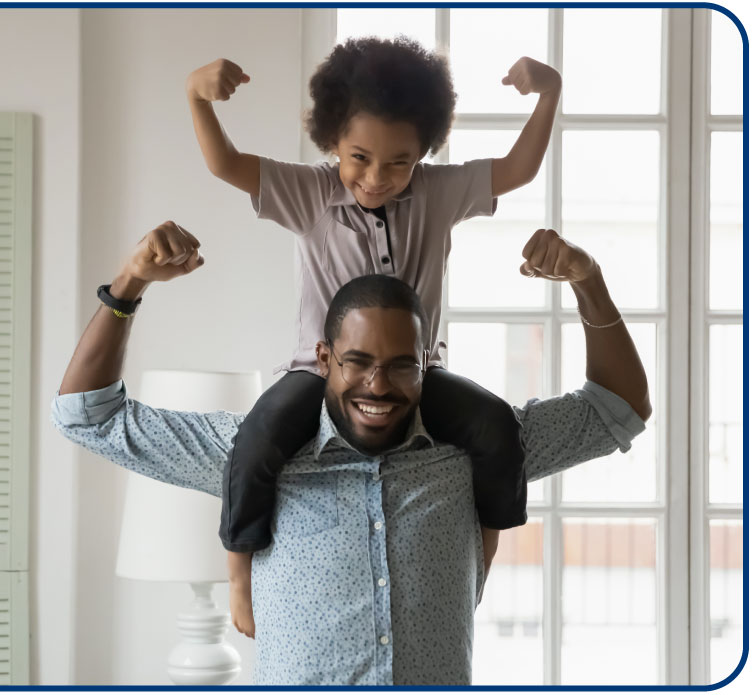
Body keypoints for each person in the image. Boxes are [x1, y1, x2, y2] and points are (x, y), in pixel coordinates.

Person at [52, 221, 651, 685]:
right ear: (323, 360)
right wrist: (129, 284)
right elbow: (88, 416)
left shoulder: (476, 450)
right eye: (358, 362)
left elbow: (618, 408)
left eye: (400, 367)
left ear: (427, 366)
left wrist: (588, 279)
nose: (378, 386)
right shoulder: (253, 453)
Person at [185, 37, 564, 635]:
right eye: (359, 157)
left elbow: (517, 169)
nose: (377, 177)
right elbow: (225, 164)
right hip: (321, 375)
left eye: (399, 162)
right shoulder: (309, 194)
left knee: (496, 428)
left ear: (424, 153)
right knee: (256, 440)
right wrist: (197, 99)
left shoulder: (438, 194)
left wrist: (549, 96)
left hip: (420, 375)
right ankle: (237, 575)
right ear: (332, 139)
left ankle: (480, 563)